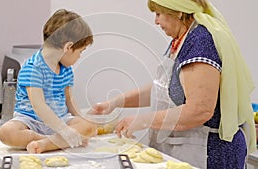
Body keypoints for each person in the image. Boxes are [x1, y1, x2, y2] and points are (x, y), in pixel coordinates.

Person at [89, 0, 256, 168]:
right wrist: (116, 102)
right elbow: (164, 89)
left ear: (178, 12)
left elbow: (199, 110)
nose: (156, 21)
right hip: (186, 148)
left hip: (210, 152)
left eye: (159, 14)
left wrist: (144, 120)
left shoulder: (201, 42)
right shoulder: (181, 39)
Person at [0, 9, 97, 154]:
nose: (79, 57)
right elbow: (39, 106)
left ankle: (45, 144)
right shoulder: (32, 68)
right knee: (6, 133)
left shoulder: (66, 69)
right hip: (30, 123)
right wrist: (64, 131)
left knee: (89, 126)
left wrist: (83, 120)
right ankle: (50, 140)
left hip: (60, 119)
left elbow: (69, 99)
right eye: (80, 52)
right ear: (68, 47)